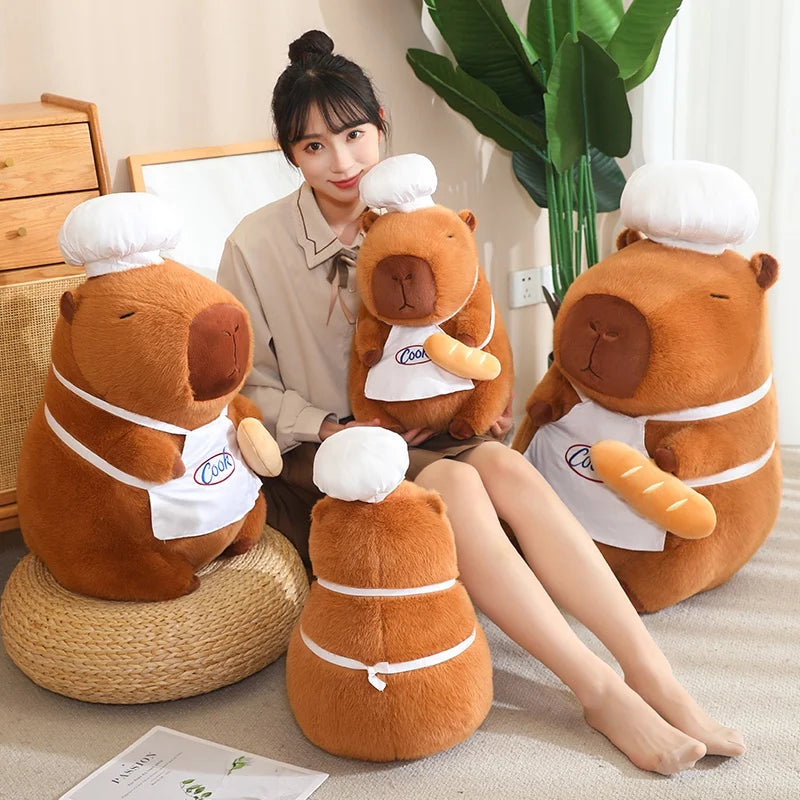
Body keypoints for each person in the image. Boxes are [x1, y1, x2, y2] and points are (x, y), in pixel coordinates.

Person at [217, 29, 744, 775]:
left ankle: (653, 674)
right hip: (328, 452)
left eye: (354, 135)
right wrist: (331, 426)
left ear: (381, 125)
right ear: (289, 155)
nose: (341, 162)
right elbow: (247, 387)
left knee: (507, 468)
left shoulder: (423, 223)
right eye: (314, 147)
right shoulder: (253, 245)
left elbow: (475, 328)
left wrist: (480, 397)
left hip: (426, 431)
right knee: (462, 486)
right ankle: (598, 690)